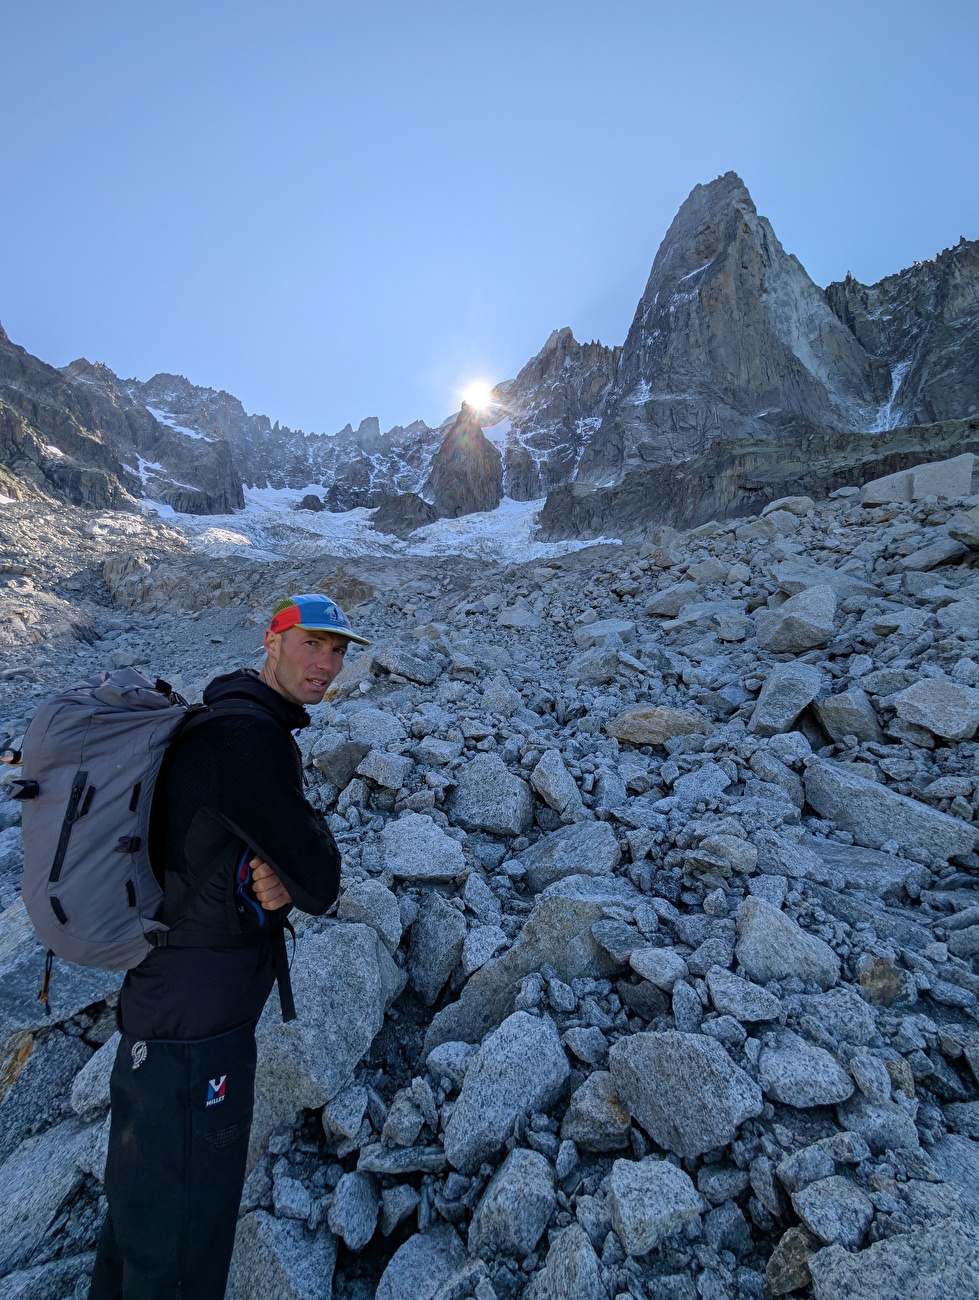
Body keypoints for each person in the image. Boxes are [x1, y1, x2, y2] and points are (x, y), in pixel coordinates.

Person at [89, 593, 370, 1300]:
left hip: (161, 1004)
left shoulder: (216, 720)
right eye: (312, 643)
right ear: (272, 642)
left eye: (339, 651)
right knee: (185, 1240)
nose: (328, 664)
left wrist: (263, 870)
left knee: (142, 1216)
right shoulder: (249, 738)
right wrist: (288, 868)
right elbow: (320, 876)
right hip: (198, 1027)